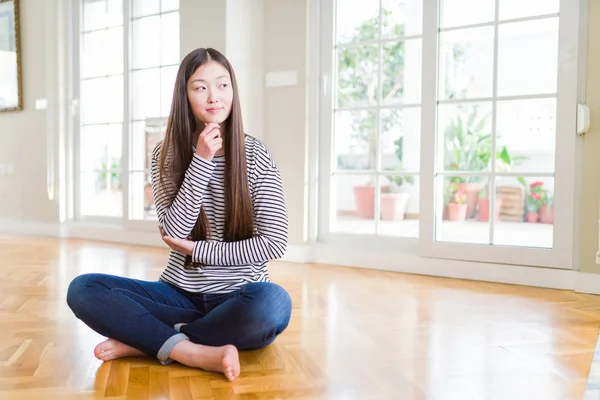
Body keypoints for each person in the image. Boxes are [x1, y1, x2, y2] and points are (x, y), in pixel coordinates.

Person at [66, 47, 292, 382]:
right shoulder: (165, 153)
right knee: (83, 289)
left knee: (272, 304)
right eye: (200, 87)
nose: (214, 97)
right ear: (184, 96)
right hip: (179, 295)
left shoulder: (255, 153)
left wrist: (198, 251)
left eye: (222, 85)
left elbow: (273, 244)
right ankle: (191, 350)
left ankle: (151, 341)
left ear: (233, 90)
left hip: (240, 297)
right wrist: (200, 161)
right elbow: (175, 231)